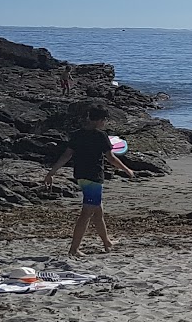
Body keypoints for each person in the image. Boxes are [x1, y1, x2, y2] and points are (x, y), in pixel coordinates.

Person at [43, 103, 135, 257]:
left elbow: (66, 155)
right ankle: (74, 249)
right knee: (86, 213)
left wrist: (51, 173)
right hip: (94, 177)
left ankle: (107, 242)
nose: (105, 123)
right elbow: (111, 158)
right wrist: (127, 169)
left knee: (97, 211)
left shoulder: (77, 134)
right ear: (100, 120)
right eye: (104, 120)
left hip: (80, 176)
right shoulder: (101, 136)